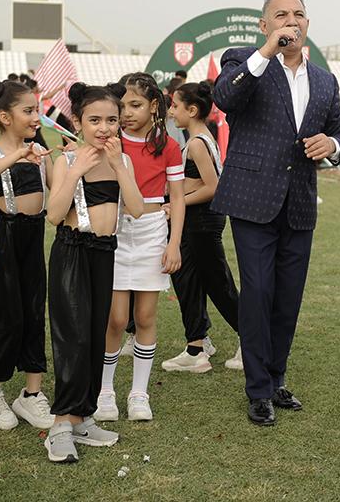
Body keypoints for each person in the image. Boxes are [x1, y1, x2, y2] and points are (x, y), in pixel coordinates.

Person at [212, 0, 340, 426]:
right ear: (264, 25)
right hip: (252, 200)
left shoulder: (325, 80)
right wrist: (267, 52)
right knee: (257, 294)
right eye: (281, 15)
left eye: (299, 14)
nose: (292, 21)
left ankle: (275, 379)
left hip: (299, 203)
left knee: (288, 298)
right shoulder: (242, 60)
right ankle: (257, 389)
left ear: (308, 23)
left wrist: (332, 145)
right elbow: (225, 98)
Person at [44, 82, 144, 463]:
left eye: (112, 120)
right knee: (72, 338)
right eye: (95, 120)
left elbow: (136, 208)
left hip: (105, 253)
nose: (104, 128)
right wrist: (76, 171)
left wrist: (118, 167)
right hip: (72, 252)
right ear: (78, 122)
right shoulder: (66, 160)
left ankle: (82, 418)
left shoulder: (123, 161)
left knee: (94, 336)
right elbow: (54, 215)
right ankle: (59, 426)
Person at [95, 72, 184, 423]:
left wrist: (174, 243)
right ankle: (105, 392)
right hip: (114, 231)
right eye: (122, 106)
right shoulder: (110, 142)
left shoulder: (168, 146)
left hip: (152, 232)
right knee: (116, 319)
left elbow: (178, 198)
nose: (127, 113)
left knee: (145, 317)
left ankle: (138, 394)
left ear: (154, 106)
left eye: (135, 105)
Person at [0, 80, 55, 431]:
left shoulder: (39, 151)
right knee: (7, 315)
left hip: (33, 236)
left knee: (34, 311)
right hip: (4, 237)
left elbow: (57, 187)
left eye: (37, 110)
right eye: (29, 111)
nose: (36, 117)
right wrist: (19, 155)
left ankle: (32, 394)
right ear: (5, 117)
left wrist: (74, 160)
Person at [162, 81, 242, 373]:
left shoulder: (197, 143)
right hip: (194, 221)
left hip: (202, 221)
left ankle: (253, 340)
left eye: (175, 106)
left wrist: (177, 204)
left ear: (192, 110)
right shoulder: (198, 138)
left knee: (218, 284)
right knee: (188, 282)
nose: (171, 111)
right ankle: (196, 347)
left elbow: (213, 187)